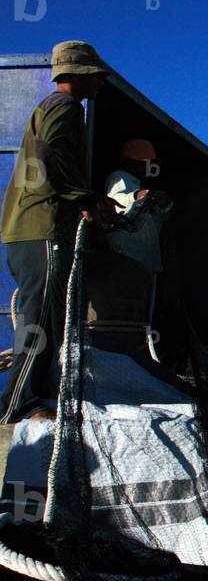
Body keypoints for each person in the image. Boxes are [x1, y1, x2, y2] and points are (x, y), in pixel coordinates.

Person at [0, 41, 121, 423]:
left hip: (34, 229)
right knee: (39, 319)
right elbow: (49, 156)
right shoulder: (65, 107)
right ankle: (18, 405)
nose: (99, 82)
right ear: (78, 74)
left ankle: (38, 396)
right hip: (43, 228)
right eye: (96, 76)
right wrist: (88, 197)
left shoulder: (53, 107)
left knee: (52, 317)